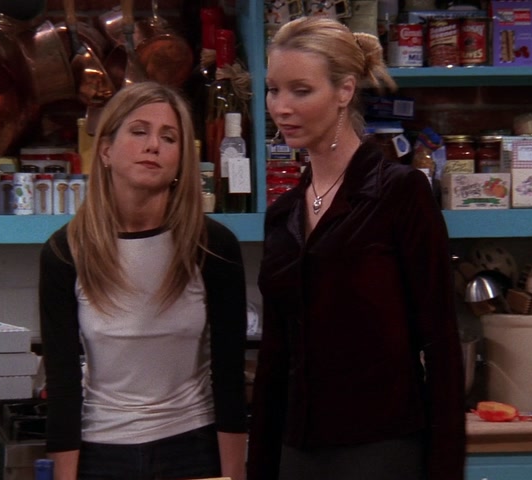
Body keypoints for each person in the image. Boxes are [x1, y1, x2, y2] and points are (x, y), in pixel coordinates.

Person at [248, 16, 465, 480]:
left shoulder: (399, 194)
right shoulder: (283, 215)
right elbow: (274, 360)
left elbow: (442, 344)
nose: (281, 107)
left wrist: (445, 468)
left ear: (345, 90)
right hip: (296, 451)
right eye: (273, 90)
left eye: (301, 91)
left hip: (381, 448)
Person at [39, 81, 248, 480]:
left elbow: (229, 374)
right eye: (139, 131)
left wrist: (234, 474)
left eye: (169, 138)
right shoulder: (66, 252)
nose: (153, 145)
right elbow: (62, 383)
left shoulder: (212, 245)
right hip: (102, 453)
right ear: (106, 150)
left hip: (193, 446)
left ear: (181, 159)